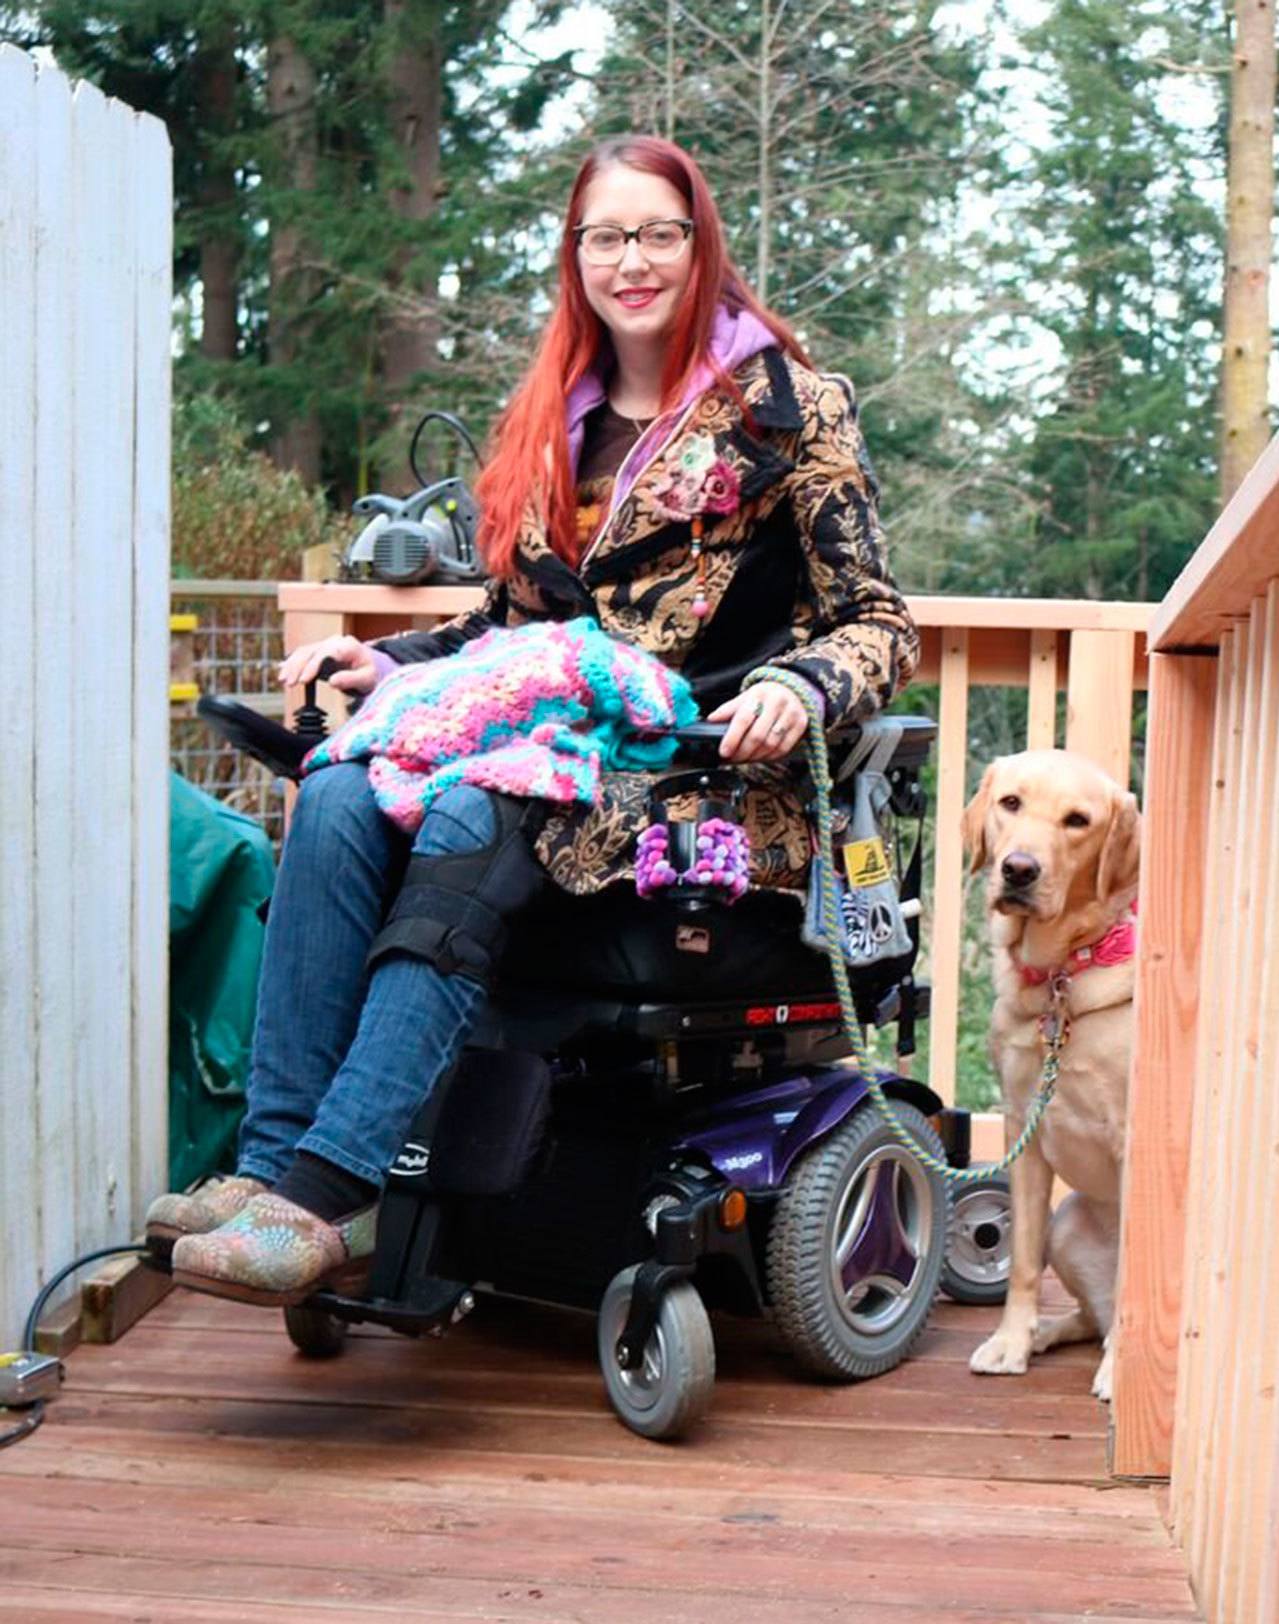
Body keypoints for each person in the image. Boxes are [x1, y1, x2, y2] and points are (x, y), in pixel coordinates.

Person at [149, 134, 920, 1305]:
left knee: (473, 798)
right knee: (344, 792)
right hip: (548, 754)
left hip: (701, 781)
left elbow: (874, 618)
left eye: (658, 232)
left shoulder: (788, 411)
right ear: (576, 257)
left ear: (697, 243)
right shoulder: (551, 420)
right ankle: (268, 1173)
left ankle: (324, 1190)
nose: (633, 260)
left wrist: (798, 685)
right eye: (605, 236)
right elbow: (507, 629)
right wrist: (391, 656)